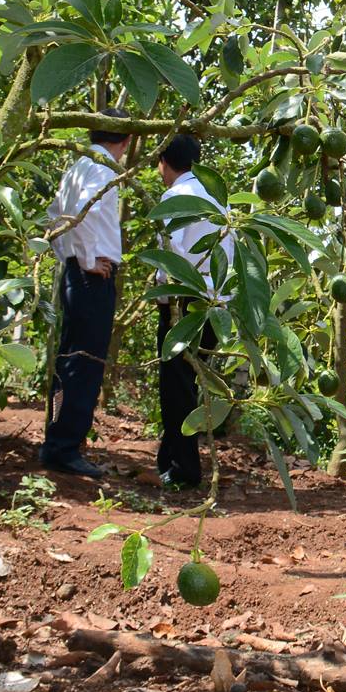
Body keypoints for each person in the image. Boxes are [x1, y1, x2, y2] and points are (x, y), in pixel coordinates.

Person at [42, 112, 133, 478]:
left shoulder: (78, 165)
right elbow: (83, 212)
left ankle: (59, 441)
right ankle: (63, 449)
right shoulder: (100, 167)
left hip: (77, 272)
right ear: (126, 141)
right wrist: (87, 258)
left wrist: (70, 256)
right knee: (84, 360)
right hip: (91, 275)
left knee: (71, 359)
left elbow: (54, 216)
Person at [152, 133, 233, 490]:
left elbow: (173, 256)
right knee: (188, 383)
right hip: (215, 304)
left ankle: (184, 469)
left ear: (164, 163)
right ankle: (170, 458)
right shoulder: (218, 201)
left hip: (185, 301)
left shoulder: (176, 197)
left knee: (177, 386)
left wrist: (162, 293)